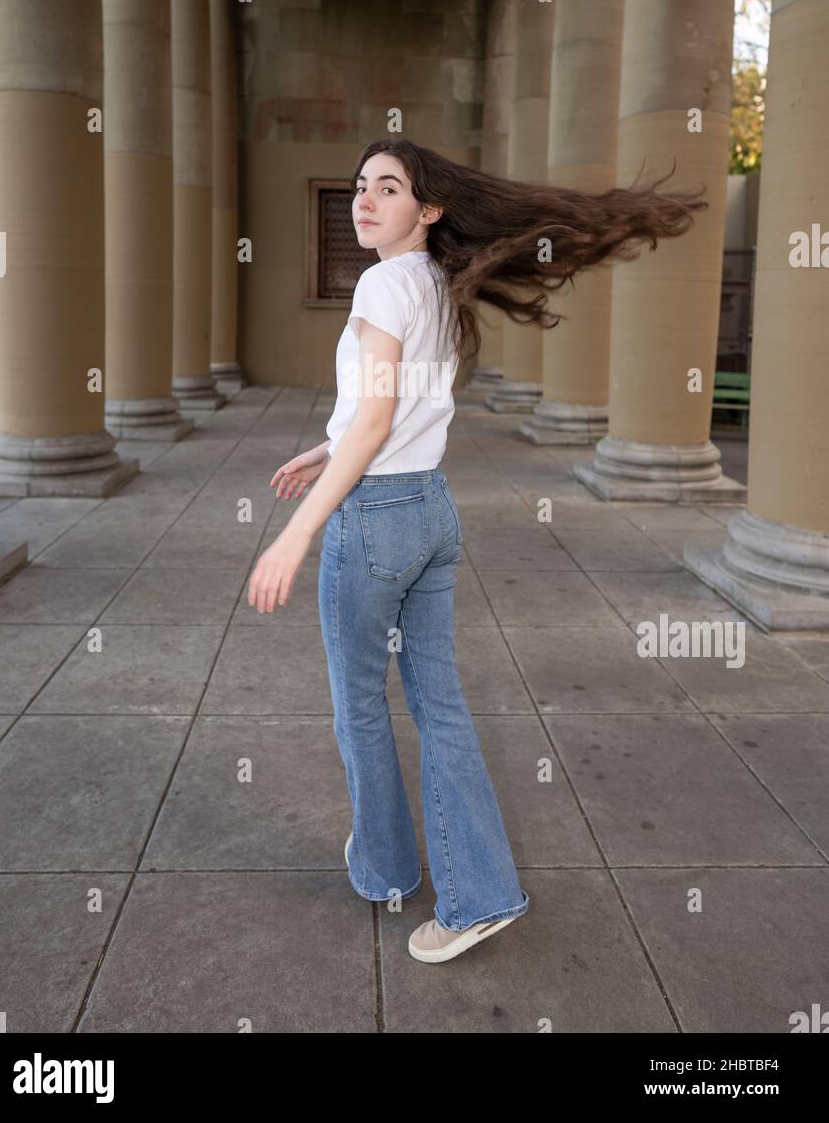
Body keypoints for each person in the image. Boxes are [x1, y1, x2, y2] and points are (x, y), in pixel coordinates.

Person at [247, 137, 707, 963]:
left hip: (376, 521)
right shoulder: (437, 284)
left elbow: (381, 420)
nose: (364, 200)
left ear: (428, 210)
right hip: (430, 511)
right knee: (440, 706)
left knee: (359, 705)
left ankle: (386, 871)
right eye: (359, 187)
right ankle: (480, 894)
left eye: (387, 189)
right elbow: (395, 409)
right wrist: (323, 450)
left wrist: (296, 531)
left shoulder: (386, 283)